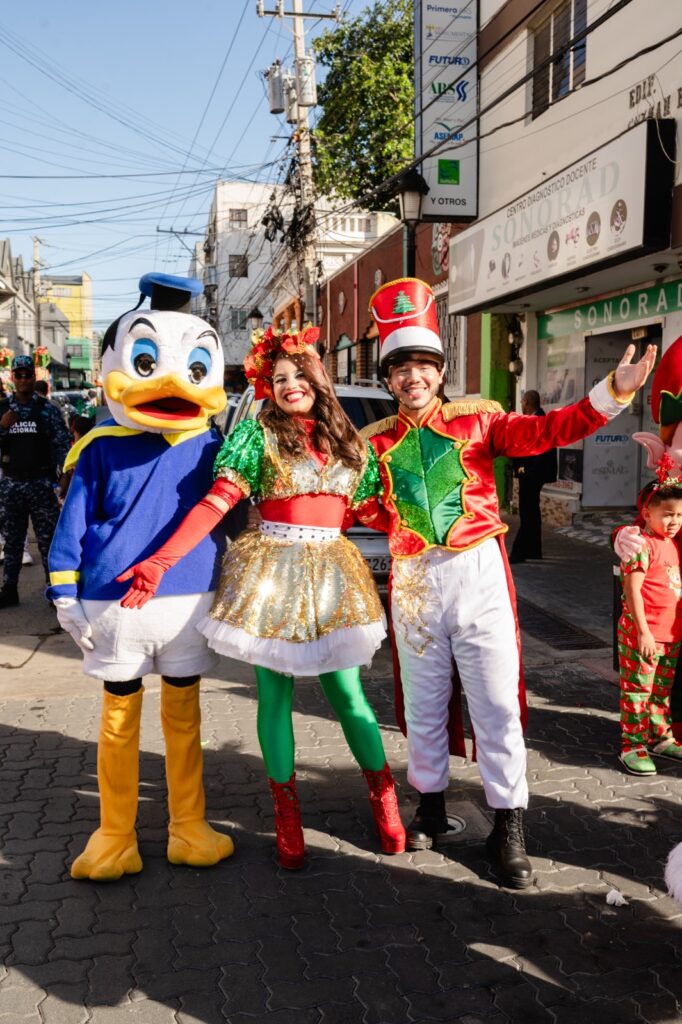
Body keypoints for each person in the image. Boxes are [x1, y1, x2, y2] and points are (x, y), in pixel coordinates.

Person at [361, 277, 656, 888]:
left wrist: (611, 396)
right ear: (388, 380)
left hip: (477, 573)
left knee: (496, 704)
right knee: (422, 702)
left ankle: (508, 825)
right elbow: (359, 507)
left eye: (422, 366)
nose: (412, 378)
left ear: (439, 373)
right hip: (414, 579)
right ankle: (432, 805)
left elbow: (548, 432)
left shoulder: (480, 423)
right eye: (400, 368)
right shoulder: (376, 444)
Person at [119, 325, 406, 870]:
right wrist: (161, 560)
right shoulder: (257, 436)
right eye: (278, 378)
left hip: (333, 577)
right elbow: (213, 504)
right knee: (275, 698)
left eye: (299, 373)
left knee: (348, 696)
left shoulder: (351, 443)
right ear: (265, 388)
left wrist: (437, 540)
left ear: (320, 378)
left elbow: (375, 514)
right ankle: (286, 812)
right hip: (272, 575)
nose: (290, 383)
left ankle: (384, 797)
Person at [48, 273, 235, 880]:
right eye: (147, 360)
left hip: (188, 602)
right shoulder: (99, 447)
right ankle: (115, 833)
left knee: (185, 722)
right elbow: (70, 527)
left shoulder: (214, 448)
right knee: (118, 719)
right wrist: (63, 594)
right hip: (115, 605)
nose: (172, 382)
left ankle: (188, 825)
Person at [617, 478, 682, 775]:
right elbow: (632, 591)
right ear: (647, 514)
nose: (673, 521)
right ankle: (632, 744)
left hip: (670, 635)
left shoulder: (671, 544)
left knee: (660, 692)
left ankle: (659, 736)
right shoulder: (641, 545)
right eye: (667, 514)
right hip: (643, 634)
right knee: (637, 691)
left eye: (679, 515)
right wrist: (642, 630)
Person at [0, 355, 71, 607]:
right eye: (18, 375)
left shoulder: (47, 410)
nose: (22, 379)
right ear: (12, 378)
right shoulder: (2, 410)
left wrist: (64, 477)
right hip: (11, 485)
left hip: (41, 484)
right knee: (13, 541)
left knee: (48, 541)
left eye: (27, 375)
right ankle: (9, 590)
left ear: (34, 376)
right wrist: (2, 427)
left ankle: (53, 590)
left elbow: (63, 446)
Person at [509, 390, 558, 563]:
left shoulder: (538, 421)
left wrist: (524, 471)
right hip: (532, 473)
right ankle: (533, 550)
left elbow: (536, 452)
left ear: (527, 402)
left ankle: (519, 552)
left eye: (522, 402)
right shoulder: (536, 419)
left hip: (532, 474)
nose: (521, 405)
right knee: (532, 512)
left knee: (527, 512)